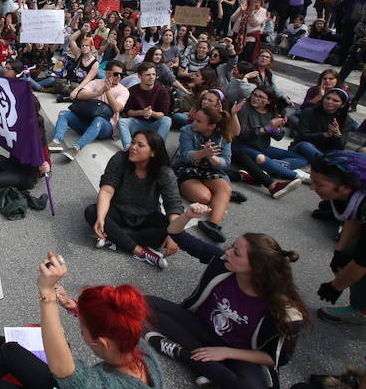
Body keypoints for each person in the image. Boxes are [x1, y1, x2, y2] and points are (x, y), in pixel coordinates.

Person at [0, 259, 162, 389]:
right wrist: (75, 308)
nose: (80, 330)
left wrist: (47, 292)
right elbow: (113, 323)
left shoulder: (97, 385)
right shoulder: (136, 346)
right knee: (8, 352)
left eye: (83, 328)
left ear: (102, 342)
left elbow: (63, 369)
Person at [144, 203, 308, 389]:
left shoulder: (285, 311)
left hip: (239, 354)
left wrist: (226, 352)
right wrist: (187, 215)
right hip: (201, 327)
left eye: (236, 253)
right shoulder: (222, 261)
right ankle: (207, 368)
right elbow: (176, 234)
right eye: (232, 246)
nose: (228, 252)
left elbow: (274, 358)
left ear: (257, 268)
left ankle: (181, 353)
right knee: (143, 303)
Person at [84, 130, 183, 270]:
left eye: (140, 145)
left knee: (168, 230)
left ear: (153, 152)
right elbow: (106, 190)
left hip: (147, 215)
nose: (133, 147)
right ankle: (140, 252)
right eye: (133, 142)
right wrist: (101, 217)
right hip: (118, 210)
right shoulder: (120, 159)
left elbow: (173, 204)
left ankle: (115, 237)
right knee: (92, 212)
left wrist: (174, 235)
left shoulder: (164, 172)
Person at [310, 152, 366, 325]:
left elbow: (364, 261)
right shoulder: (363, 187)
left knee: (357, 258)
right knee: (349, 255)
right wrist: (339, 251)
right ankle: (361, 308)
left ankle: (360, 312)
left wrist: (335, 286)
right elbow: (356, 217)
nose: (312, 188)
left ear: (345, 187)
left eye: (319, 184)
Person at [171, 107, 240, 244]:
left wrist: (213, 158)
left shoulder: (224, 136)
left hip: (211, 170)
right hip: (187, 168)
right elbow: (185, 155)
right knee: (204, 197)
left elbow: (226, 162)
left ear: (211, 126)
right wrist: (203, 153)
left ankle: (212, 224)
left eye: (199, 121)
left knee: (224, 189)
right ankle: (222, 199)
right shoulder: (187, 130)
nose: (193, 122)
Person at [232, 87, 310, 199]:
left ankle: (271, 166)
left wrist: (277, 128)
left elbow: (278, 137)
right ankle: (299, 175)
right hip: (243, 145)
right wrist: (267, 128)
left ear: (268, 101)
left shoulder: (272, 112)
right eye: (254, 95)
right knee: (261, 158)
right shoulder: (245, 107)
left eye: (260, 97)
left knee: (302, 158)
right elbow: (242, 134)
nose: (255, 98)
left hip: (263, 146)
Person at [49, 60, 129, 161]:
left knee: (98, 120)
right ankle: (56, 140)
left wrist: (107, 91)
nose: (119, 77)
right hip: (86, 120)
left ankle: (76, 148)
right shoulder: (97, 82)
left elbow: (117, 108)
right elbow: (80, 95)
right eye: (116, 74)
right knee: (63, 114)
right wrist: (98, 92)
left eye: (121, 74)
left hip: (107, 126)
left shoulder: (123, 90)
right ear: (107, 73)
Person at [117, 62, 172, 150]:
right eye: (148, 75)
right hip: (137, 123)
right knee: (122, 122)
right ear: (139, 76)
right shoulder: (132, 90)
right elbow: (128, 112)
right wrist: (142, 112)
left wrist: (151, 113)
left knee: (167, 120)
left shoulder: (162, 91)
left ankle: (158, 149)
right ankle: (128, 149)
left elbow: (163, 114)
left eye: (154, 74)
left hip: (155, 124)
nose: (152, 77)